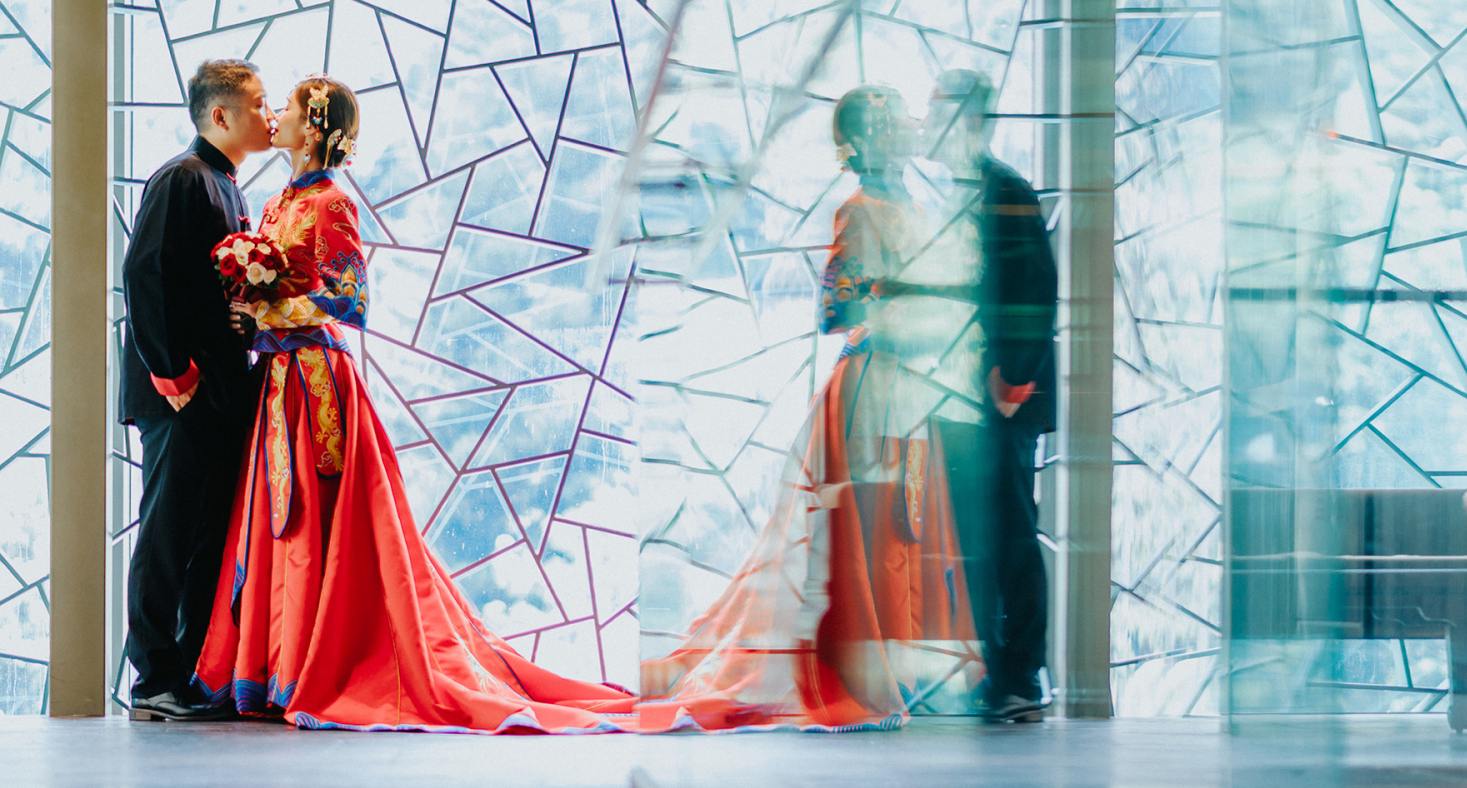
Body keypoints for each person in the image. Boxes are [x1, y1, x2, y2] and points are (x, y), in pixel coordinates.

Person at [190, 76, 634, 732]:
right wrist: (255, 317)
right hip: (279, 380)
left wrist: (270, 311)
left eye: (286, 106)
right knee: (288, 524)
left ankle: (316, 662)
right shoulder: (282, 201)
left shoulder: (333, 204)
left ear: (313, 128)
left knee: (321, 524)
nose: (276, 113)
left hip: (315, 382)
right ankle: (282, 660)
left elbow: (352, 299)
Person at [638, 85, 982, 731]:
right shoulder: (858, 211)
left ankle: (900, 672)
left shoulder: (913, 204)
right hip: (875, 383)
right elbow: (835, 308)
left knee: (908, 526)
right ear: (861, 144)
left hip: (913, 383)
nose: (903, 130)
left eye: (898, 120)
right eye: (885, 125)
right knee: (869, 528)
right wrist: (909, 293)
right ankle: (857, 677)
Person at [123, 60, 275, 721]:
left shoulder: (229, 188)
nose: (270, 116)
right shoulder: (182, 179)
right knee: (167, 530)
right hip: (179, 391)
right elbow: (145, 274)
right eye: (260, 103)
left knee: (204, 535)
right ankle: (153, 677)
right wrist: (172, 372)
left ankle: (184, 674)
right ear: (221, 115)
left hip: (215, 391)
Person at [920, 70, 1057, 723]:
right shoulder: (958, 196)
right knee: (975, 536)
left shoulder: (1006, 192)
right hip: (958, 397)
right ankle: (994, 670)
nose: (929, 125)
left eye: (939, 113)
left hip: (996, 398)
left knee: (1011, 533)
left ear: (970, 121)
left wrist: (1012, 382)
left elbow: (1034, 291)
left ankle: (1021, 675)